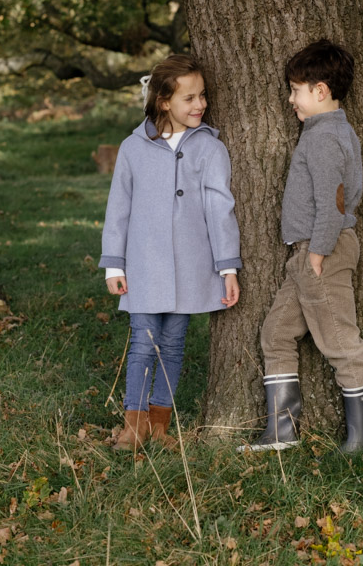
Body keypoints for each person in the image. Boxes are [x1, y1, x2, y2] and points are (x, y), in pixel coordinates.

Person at [100, 55, 242, 452]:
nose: (200, 105)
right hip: (143, 264)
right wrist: (114, 263)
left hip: (191, 266)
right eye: (189, 98)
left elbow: (220, 208)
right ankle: (134, 425)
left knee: (174, 344)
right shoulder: (133, 147)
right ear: (164, 101)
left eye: (203, 96)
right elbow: (119, 206)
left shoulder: (211, 149)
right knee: (144, 342)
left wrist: (227, 267)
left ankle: (160, 426)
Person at [240, 39, 363, 454]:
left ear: (320, 90)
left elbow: (333, 203)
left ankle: (362, 439)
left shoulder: (323, 137)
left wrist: (316, 253)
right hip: (307, 254)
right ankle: (282, 431)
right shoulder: (332, 130)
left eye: (296, 90)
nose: (290, 99)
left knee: (339, 341)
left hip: (323, 252)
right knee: (276, 333)